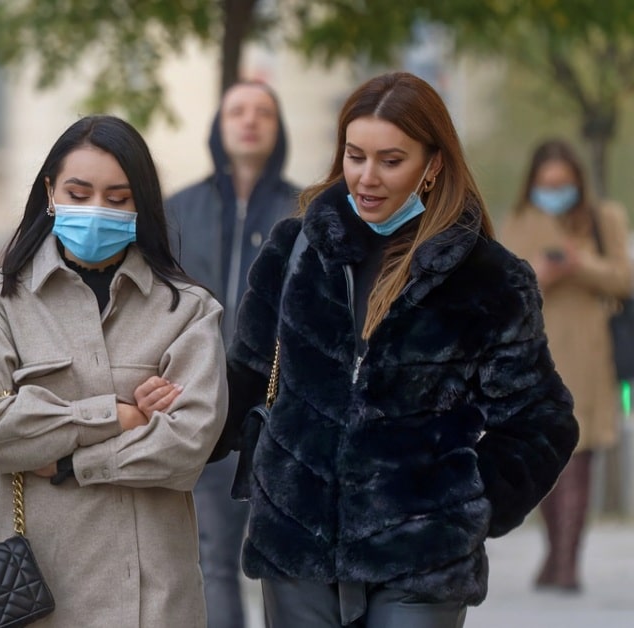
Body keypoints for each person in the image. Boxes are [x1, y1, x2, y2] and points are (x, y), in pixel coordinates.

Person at [212, 71, 578, 627]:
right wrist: (171, 412)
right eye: (355, 156)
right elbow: (247, 376)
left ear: (433, 164)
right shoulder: (294, 250)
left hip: (420, 565)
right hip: (297, 551)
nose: (366, 177)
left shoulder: (490, 278)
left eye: (391, 160)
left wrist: (464, 507)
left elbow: (543, 420)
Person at [0, 114, 228, 627]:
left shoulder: (187, 310)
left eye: (117, 198)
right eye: (78, 194)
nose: (96, 210)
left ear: (141, 204)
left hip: (154, 600)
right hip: (40, 596)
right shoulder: (2, 302)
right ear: (50, 193)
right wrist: (121, 416)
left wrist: (68, 465)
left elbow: (187, 444)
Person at [166, 80, 299, 628]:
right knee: (212, 559)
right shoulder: (178, 210)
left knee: (287, 561)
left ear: (279, 128)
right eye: (237, 111)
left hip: (283, 414)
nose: (250, 121)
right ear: (219, 127)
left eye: (263, 112)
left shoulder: (306, 210)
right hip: (204, 408)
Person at [499, 138, 632, 593]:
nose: (555, 192)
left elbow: (624, 277)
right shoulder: (518, 221)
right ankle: (555, 551)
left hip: (591, 350)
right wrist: (540, 271)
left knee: (581, 453)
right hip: (537, 353)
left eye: (563, 184)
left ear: (578, 181)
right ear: (533, 183)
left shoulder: (603, 218)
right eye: (546, 184)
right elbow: (502, 284)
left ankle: (568, 562)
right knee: (545, 456)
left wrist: (581, 262)